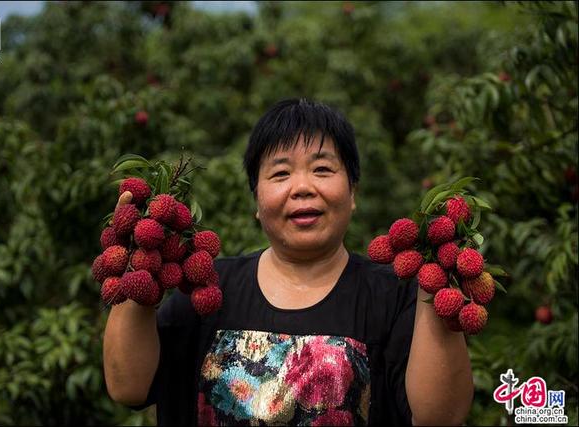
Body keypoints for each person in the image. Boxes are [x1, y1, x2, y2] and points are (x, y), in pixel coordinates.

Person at [103, 98, 474, 426]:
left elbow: (439, 417)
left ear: (353, 193)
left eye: (323, 170)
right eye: (280, 173)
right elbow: (128, 388)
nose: (302, 186)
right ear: (256, 202)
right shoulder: (206, 287)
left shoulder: (397, 296)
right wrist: (139, 255)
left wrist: (439, 279)